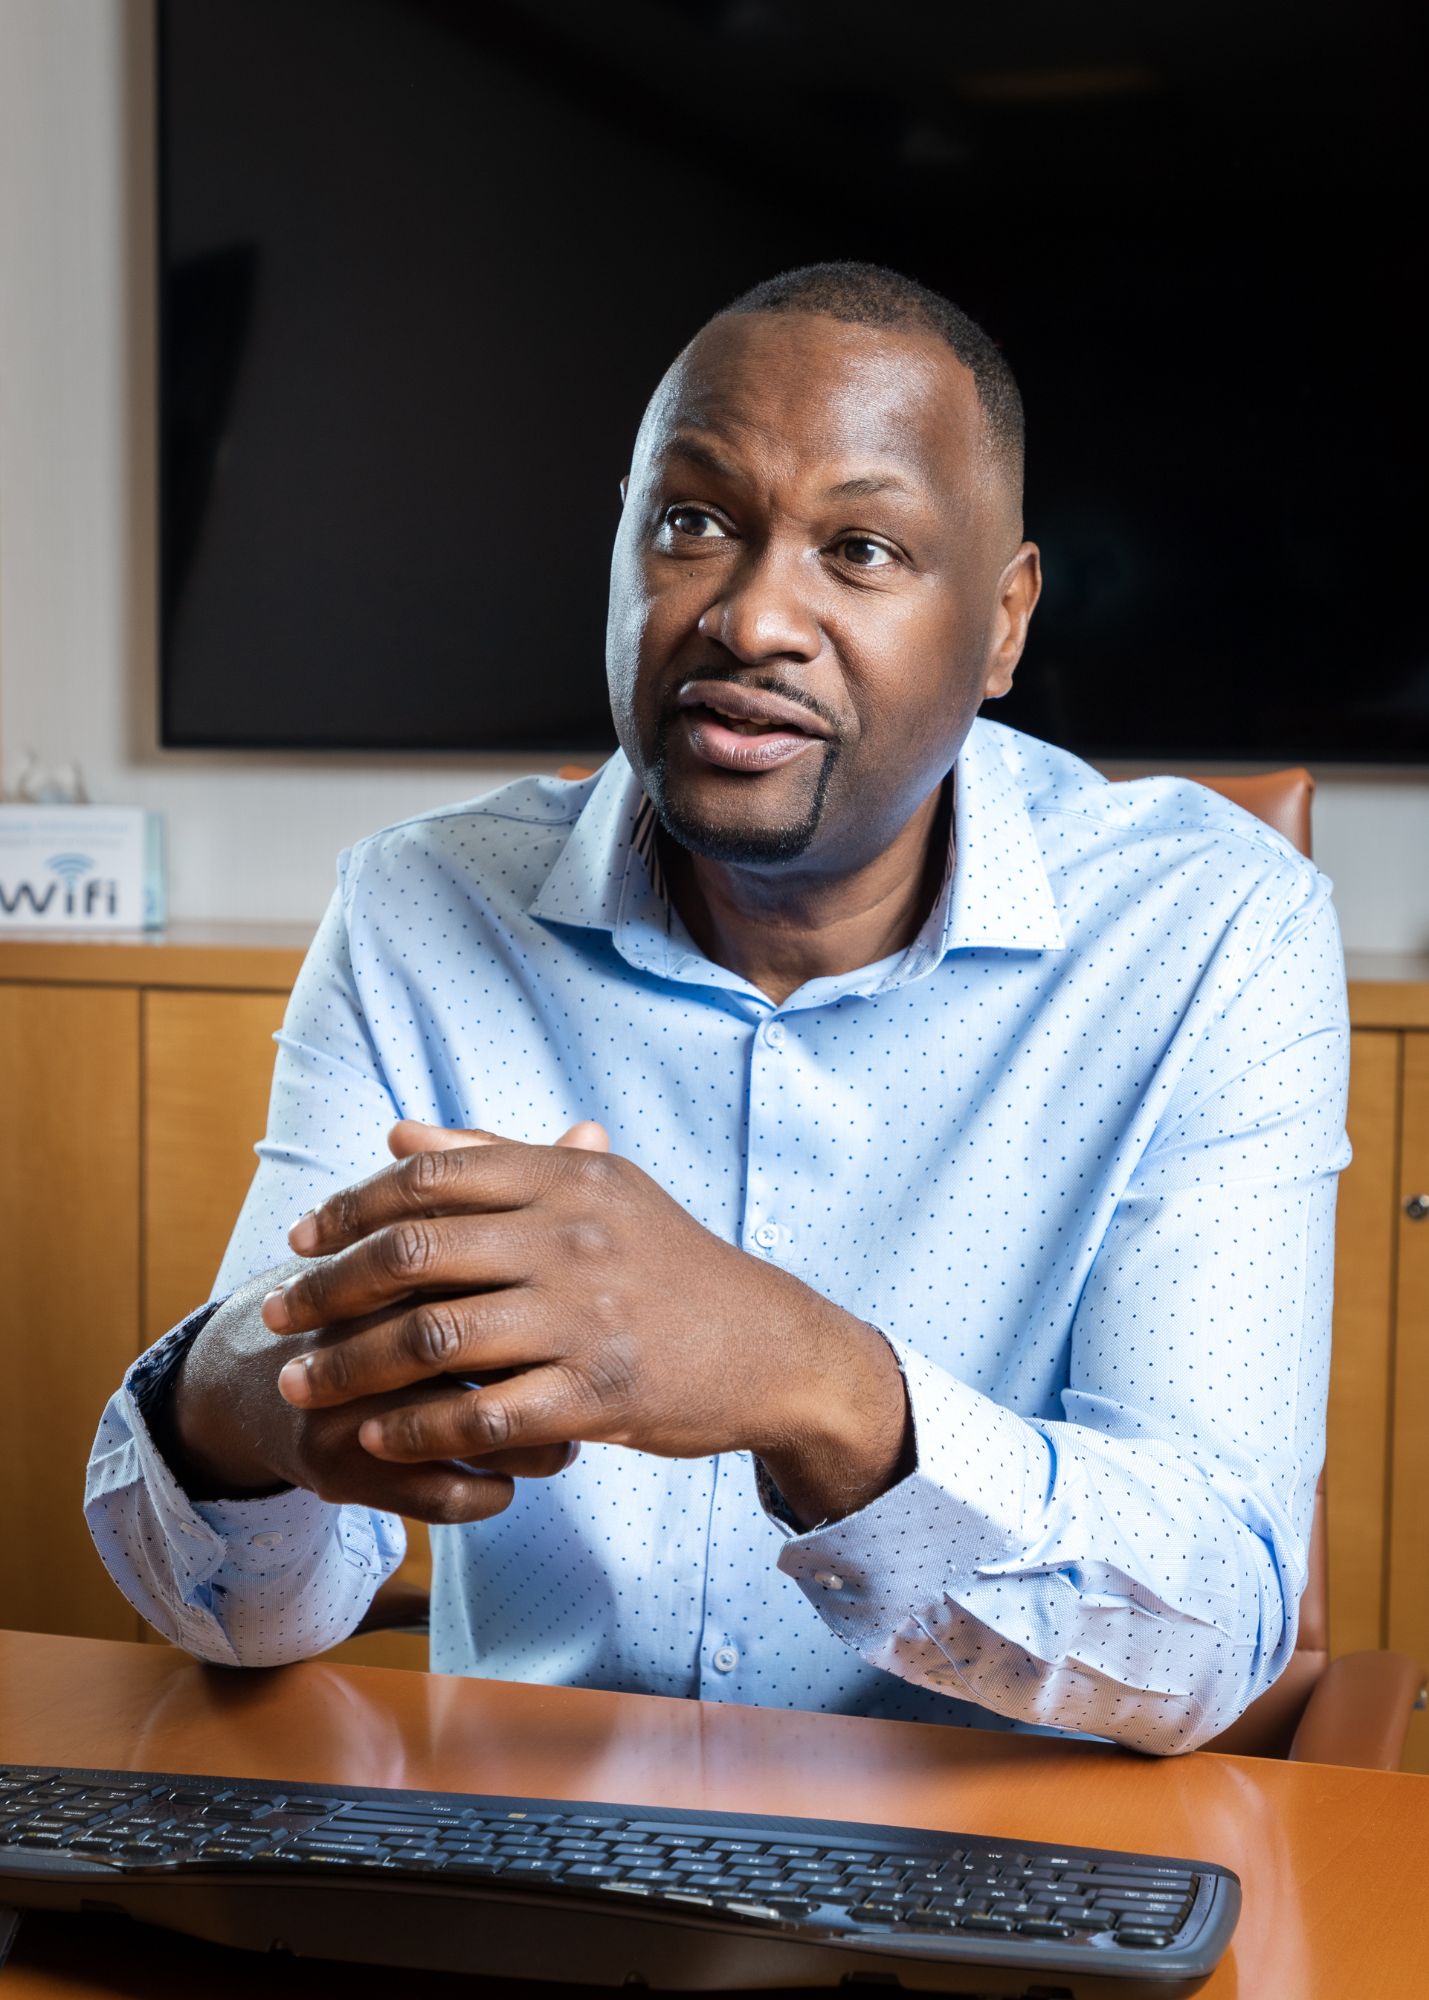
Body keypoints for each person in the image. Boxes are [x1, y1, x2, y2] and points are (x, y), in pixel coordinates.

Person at [86, 263, 1348, 1755]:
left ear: (1002, 624)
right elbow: (245, 1616)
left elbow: (1206, 1633)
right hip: (527, 1873)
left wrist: (802, 1377)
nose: (752, 618)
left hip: (991, 1887)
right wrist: (235, 1404)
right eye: (691, 524)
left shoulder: (1208, 931)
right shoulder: (417, 910)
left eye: (861, 549)